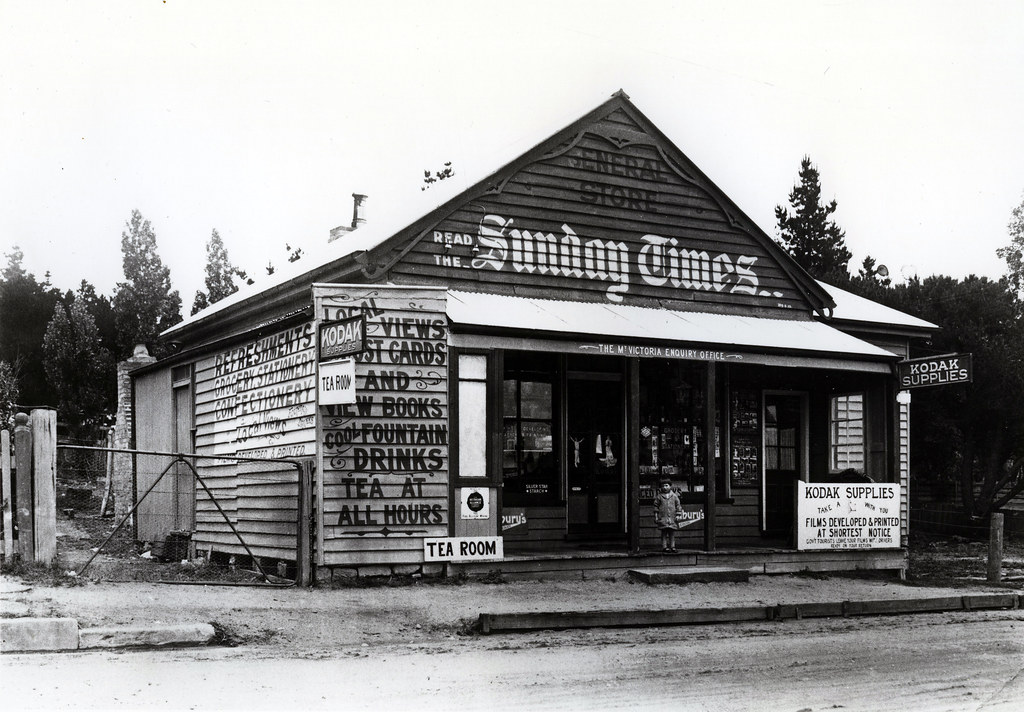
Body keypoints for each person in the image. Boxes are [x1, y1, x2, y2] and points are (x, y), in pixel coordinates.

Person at [654, 478, 682, 553]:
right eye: (663, 486)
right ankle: (664, 547)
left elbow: (678, 506)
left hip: (672, 518)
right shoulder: (659, 496)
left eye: (666, 485)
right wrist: (656, 516)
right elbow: (656, 506)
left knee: (672, 533)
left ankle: (672, 546)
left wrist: (678, 514)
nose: (664, 487)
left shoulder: (674, 496)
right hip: (663, 518)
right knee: (664, 533)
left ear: (670, 486)